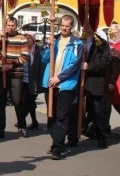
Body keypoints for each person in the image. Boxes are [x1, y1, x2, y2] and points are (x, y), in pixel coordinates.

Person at [41, 14, 83, 160]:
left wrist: (59, 78)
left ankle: (57, 147)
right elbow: (44, 59)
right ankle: (57, 141)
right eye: (62, 25)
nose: (64, 28)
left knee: (62, 117)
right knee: (51, 116)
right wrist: (48, 46)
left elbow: (74, 65)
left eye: (67, 26)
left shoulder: (77, 44)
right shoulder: (55, 40)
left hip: (65, 84)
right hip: (50, 83)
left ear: (72, 27)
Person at [0, 17, 29, 139]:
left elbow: (25, 56)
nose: (10, 28)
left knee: (17, 101)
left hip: (16, 74)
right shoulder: (3, 37)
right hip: (2, 73)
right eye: (8, 25)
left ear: (16, 26)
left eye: (13, 25)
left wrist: (10, 65)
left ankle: (22, 124)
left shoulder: (22, 38)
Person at [79, 24, 111, 148]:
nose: (86, 29)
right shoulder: (79, 41)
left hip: (95, 81)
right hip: (79, 81)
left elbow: (106, 60)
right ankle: (74, 136)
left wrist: (90, 66)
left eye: (88, 27)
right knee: (77, 109)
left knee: (98, 110)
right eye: (84, 27)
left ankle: (102, 136)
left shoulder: (101, 43)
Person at [20, 32, 44, 131]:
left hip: (33, 81)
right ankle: (34, 122)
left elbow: (41, 67)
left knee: (28, 102)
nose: (26, 40)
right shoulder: (23, 50)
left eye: (28, 38)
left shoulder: (38, 51)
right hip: (24, 80)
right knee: (30, 103)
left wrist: (40, 82)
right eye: (25, 38)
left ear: (33, 40)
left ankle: (21, 119)